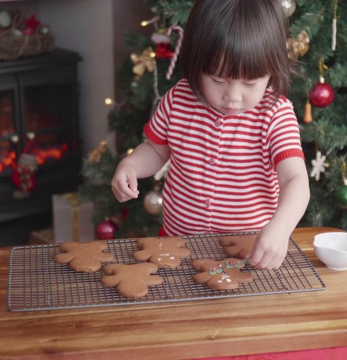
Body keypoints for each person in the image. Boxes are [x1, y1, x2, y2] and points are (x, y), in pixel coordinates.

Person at [111, 0, 310, 269]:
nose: (233, 96)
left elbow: (296, 179)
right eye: (218, 80)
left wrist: (281, 229)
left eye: (250, 83)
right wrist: (130, 165)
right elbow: (157, 150)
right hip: (177, 245)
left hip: (247, 253)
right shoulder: (178, 100)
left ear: (272, 71)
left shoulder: (275, 114)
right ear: (196, 63)